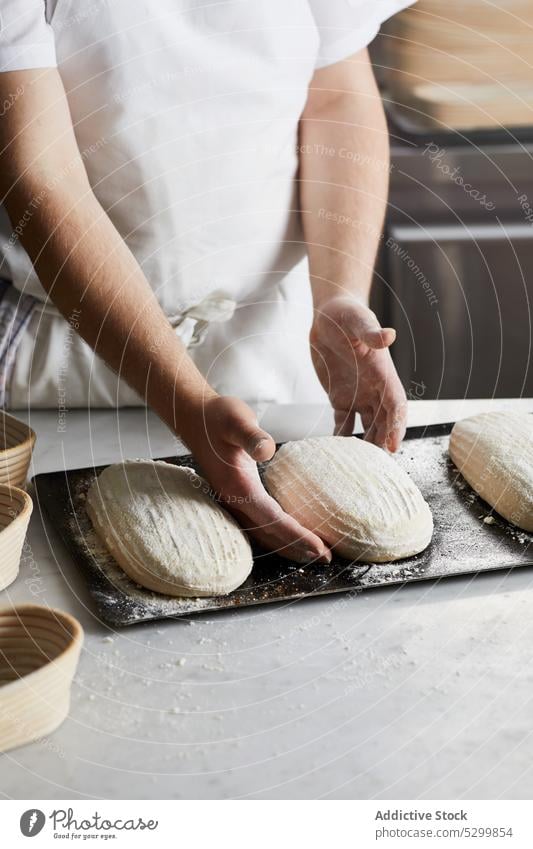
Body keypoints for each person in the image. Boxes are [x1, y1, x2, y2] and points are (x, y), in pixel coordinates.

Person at [0, 1, 411, 563]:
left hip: (267, 334)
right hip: (59, 353)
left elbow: (337, 93)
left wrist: (339, 291)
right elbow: (42, 178)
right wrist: (185, 401)